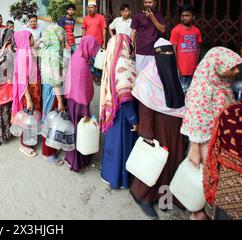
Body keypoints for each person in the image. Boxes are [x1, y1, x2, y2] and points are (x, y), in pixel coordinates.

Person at [180, 47, 241, 220]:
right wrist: (195, 149)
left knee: (213, 181)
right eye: (233, 67)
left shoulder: (220, 82)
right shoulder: (203, 86)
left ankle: (206, 211)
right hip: (205, 143)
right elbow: (195, 117)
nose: (236, 71)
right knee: (204, 179)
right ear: (218, 66)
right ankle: (197, 212)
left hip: (218, 143)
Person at [130, 38, 186, 220]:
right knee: (154, 164)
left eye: (171, 52)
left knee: (171, 164)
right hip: (157, 130)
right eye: (164, 53)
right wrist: (147, 134)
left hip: (175, 129)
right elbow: (145, 108)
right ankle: (142, 196)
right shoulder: (148, 76)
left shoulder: (174, 72)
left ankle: (164, 198)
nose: (168, 56)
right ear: (157, 55)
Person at [99, 34, 138, 188]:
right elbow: (124, 95)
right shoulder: (123, 63)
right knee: (122, 146)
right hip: (123, 113)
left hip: (112, 110)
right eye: (129, 43)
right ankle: (119, 180)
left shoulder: (111, 61)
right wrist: (134, 119)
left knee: (113, 146)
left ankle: (108, 174)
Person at [64, 36, 100, 171]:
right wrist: (85, 111)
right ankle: (77, 162)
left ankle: (71, 157)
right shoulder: (83, 66)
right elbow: (83, 90)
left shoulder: (76, 57)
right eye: (94, 49)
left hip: (72, 100)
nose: (94, 52)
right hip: (80, 104)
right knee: (80, 132)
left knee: (74, 129)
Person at [203, 94, 242, 220]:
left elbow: (214, 151)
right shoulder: (229, 112)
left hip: (225, 191)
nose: (235, 72)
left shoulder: (229, 112)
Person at [40, 24, 68, 166]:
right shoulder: (55, 52)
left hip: (46, 88)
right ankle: (48, 153)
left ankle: (49, 149)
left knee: (47, 118)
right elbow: (56, 80)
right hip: (54, 91)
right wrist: (61, 101)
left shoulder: (45, 49)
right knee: (53, 121)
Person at [12, 29, 41, 157]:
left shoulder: (27, 53)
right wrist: (28, 98)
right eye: (30, 37)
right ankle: (24, 145)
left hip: (33, 89)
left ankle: (30, 138)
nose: (33, 39)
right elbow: (22, 80)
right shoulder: (22, 55)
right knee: (26, 117)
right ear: (25, 40)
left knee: (31, 117)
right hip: (27, 92)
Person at [130, 0, 166, 74]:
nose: (147, 4)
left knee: (152, 74)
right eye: (145, 2)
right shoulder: (137, 15)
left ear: (155, 3)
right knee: (140, 74)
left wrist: (152, 17)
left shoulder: (158, 15)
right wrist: (131, 47)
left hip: (153, 50)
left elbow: (162, 30)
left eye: (150, 2)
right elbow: (133, 32)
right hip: (141, 50)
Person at [170, 5, 202, 93]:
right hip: (181, 69)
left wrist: (197, 64)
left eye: (187, 15)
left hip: (193, 68)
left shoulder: (196, 31)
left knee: (191, 91)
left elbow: (198, 48)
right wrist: (176, 66)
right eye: (182, 16)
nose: (184, 18)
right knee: (182, 91)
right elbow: (174, 48)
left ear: (193, 17)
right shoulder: (176, 30)